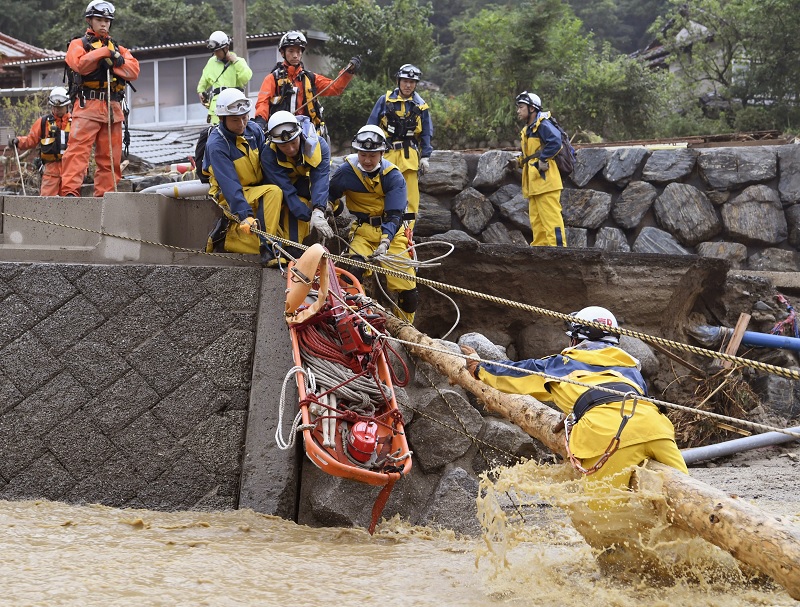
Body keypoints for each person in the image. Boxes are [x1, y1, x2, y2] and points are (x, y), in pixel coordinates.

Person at [463, 306, 687, 489]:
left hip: (608, 434)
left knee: (604, 526)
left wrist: (479, 368)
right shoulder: (630, 368)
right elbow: (614, 397)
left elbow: (515, 373)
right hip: (658, 429)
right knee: (688, 499)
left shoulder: (560, 366)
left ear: (576, 339)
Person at [328, 125, 418, 323]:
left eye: (373, 155)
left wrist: (385, 241)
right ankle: (352, 322)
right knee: (353, 272)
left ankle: (404, 329)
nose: (367, 160)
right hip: (363, 230)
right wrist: (326, 208)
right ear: (357, 152)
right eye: (363, 154)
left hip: (393, 234)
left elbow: (395, 214)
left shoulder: (393, 176)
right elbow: (330, 195)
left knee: (409, 294)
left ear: (382, 153)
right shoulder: (346, 172)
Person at [59, 0, 139, 197]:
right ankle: (70, 193)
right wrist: (104, 53)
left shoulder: (120, 49)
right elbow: (79, 64)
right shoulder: (78, 44)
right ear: (90, 21)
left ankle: (106, 197)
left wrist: (112, 60)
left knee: (110, 158)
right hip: (88, 105)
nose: (104, 24)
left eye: (107, 20)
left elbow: (133, 70)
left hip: (113, 108)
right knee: (77, 153)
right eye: (99, 19)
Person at [202, 88, 284, 267]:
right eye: (234, 120)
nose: (241, 124)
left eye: (244, 117)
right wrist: (245, 214)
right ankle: (267, 248)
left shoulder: (253, 130)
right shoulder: (217, 145)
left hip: (257, 189)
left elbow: (268, 164)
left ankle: (236, 240)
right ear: (222, 119)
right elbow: (229, 184)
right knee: (273, 192)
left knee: (284, 226)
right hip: (229, 195)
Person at [254, 31, 361, 135]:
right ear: (282, 53)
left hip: (309, 133)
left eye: (298, 51)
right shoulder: (272, 79)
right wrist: (260, 121)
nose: (295, 55)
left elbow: (335, 88)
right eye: (291, 51)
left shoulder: (310, 78)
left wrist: (348, 72)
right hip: (281, 132)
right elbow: (263, 102)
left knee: (324, 150)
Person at [367, 64, 432, 231]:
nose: (408, 85)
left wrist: (425, 156)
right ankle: (381, 232)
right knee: (381, 194)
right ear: (399, 81)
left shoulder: (421, 106)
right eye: (405, 80)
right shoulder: (385, 101)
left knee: (410, 199)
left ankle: (406, 235)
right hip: (385, 156)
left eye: (412, 81)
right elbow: (371, 127)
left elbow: (426, 133)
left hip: (409, 157)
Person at [261, 110, 334, 259]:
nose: (291, 149)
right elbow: (286, 190)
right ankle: (293, 247)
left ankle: (330, 209)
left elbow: (320, 178)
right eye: (284, 146)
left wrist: (318, 211)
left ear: (300, 134)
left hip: (304, 182)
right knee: (295, 207)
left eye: (293, 143)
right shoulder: (268, 154)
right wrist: (309, 216)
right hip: (281, 189)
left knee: (328, 196)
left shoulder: (319, 145)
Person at [512, 91, 567, 247]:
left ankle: (558, 251)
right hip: (535, 182)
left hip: (546, 180)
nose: (518, 110)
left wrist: (543, 159)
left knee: (551, 218)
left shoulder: (542, 124)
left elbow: (556, 142)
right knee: (537, 220)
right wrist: (519, 161)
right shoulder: (529, 129)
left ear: (532, 108)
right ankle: (540, 250)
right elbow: (531, 154)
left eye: (521, 107)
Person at [10, 87, 72, 196]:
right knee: (46, 205)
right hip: (51, 171)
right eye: (54, 107)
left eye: (60, 107)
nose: (57, 110)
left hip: (71, 171)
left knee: (71, 203)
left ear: (67, 106)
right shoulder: (43, 122)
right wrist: (18, 141)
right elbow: (31, 140)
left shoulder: (76, 122)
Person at [197, 31, 253, 125]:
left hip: (235, 106)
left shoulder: (239, 62)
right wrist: (200, 91)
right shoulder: (211, 62)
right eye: (214, 51)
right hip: (216, 108)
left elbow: (246, 77)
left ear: (226, 48)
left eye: (217, 50)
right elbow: (204, 80)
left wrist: (235, 62)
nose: (215, 53)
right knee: (216, 135)